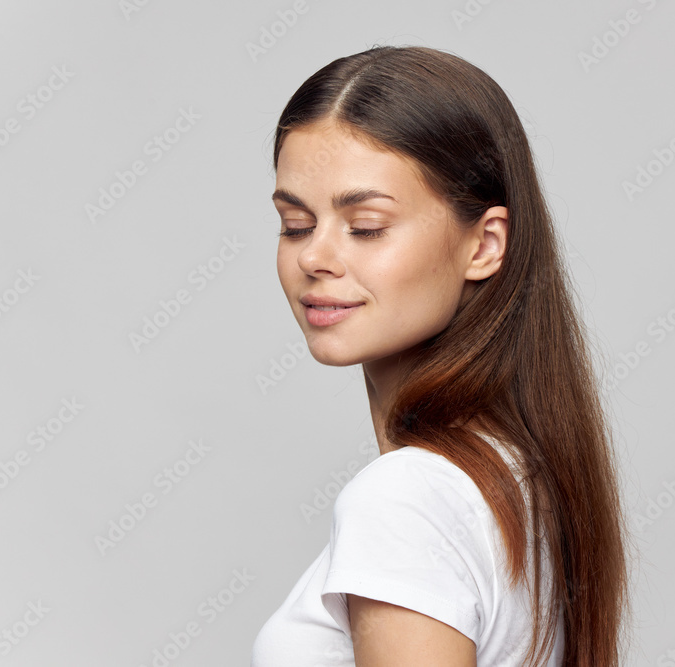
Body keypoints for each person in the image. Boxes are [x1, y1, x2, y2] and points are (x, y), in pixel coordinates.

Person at [251, 45, 630, 667]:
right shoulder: (515, 477)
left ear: (484, 245)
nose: (313, 257)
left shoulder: (406, 498)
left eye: (366, 226)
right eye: (295, 224)